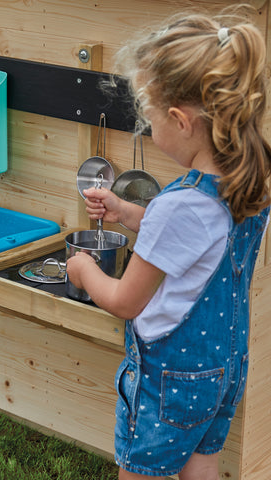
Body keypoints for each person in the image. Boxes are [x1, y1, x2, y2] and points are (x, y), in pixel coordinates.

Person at [66, 5, 271, 480]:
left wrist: (83, 270)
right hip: (223, 368)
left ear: (180, 120)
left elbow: (123, 300)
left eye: (149, 118)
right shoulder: (250, 180)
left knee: (141, 471)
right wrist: (130, 214)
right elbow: (201, 244)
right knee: (201, 463)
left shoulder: (178, 206)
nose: (147, 127)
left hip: (170, 376)